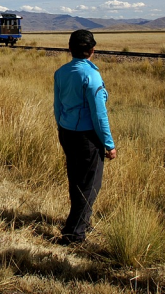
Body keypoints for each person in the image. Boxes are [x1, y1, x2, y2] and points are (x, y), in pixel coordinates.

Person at [53, 29, 117, 245]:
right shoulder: (92, 75)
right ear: (92, 50)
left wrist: (62, 128)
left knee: (76, 180)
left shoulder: (61, 72)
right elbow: (99, 115)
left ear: (70, 49)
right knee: (90, 185)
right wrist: (109, 144)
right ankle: (74, 234)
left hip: (67, 132)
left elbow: (57, 107)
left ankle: (79, 221)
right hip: (87, 138)